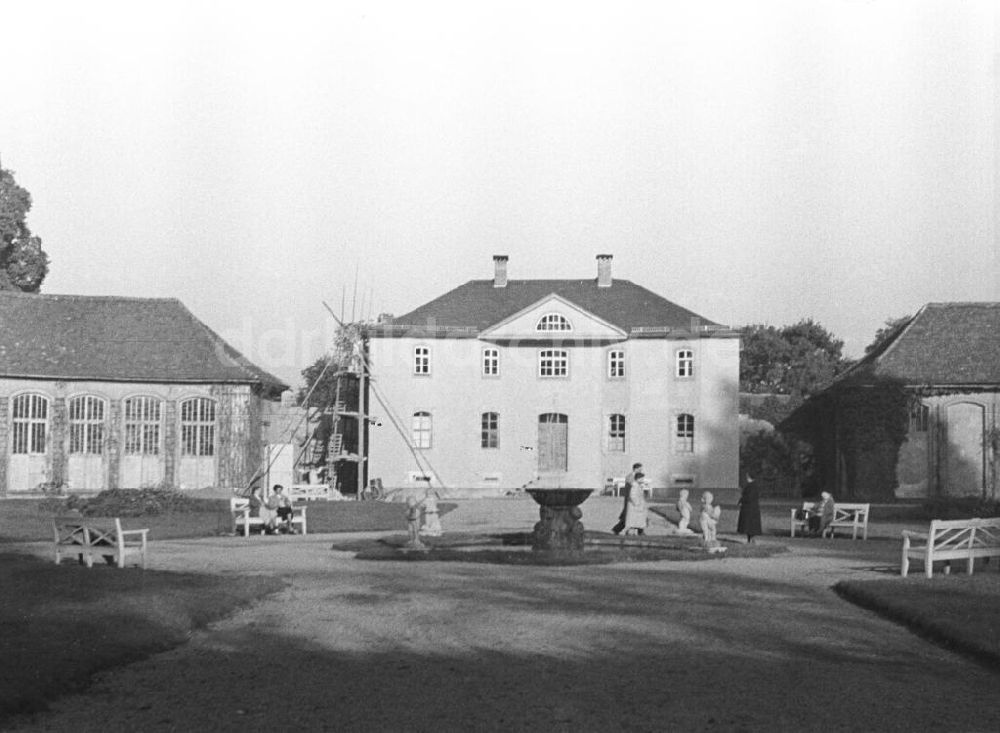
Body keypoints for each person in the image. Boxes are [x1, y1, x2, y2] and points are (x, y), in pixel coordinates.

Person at [612, 462, 643, 535]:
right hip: (630, 499)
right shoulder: (630, 476)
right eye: (640, 469)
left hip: (634, 499)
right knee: (629, 515)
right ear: (636, 469)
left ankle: (640, 531)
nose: (641, 470)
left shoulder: (636, 476)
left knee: (636, 515)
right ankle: (617, 529)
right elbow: (632, 487)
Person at [736, 473, 762, 543]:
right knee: (750, 525)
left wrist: (742, 500)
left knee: (750, 525)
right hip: (751, 508)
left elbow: (749, 497)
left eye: (747, 476)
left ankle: (751, 539)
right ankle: (750, 539)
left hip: (750, 508)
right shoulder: (752, 485)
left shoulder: (752, 486)